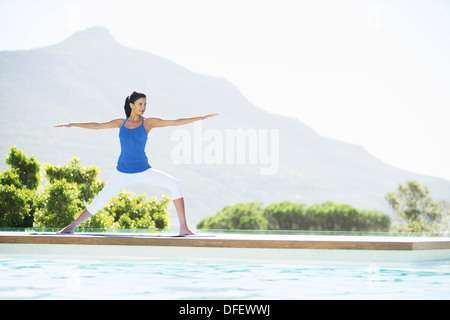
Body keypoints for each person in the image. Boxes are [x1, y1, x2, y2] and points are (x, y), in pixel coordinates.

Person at [55, 91, 218, 235]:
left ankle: (183, 228)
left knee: (174, 184)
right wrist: (72, 124)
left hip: (143, 171)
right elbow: (97, 126)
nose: (143, 107)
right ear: (131, 105)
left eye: (145, 104)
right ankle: (71, 226)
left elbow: (175, 122)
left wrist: (201, 118)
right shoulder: (121, 123)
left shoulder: (148, 123)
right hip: (122, 173)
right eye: (140, 104)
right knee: (100, 200)